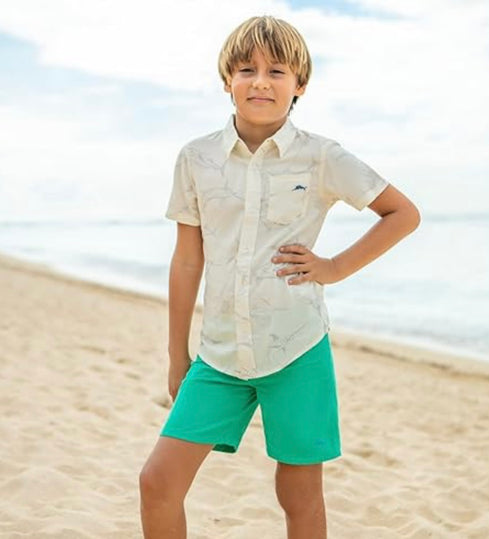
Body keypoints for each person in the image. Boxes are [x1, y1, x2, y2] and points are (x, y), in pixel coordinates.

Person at [139, 14, 420, 539]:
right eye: (246, 70)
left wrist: (334, 268)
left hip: (297, 348)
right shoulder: (197, 158)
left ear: (300, 85)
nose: (260, 82)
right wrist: (178, 354)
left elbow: (402, 213)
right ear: (227, 80)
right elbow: (187, 260)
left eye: (276, 71)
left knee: (298, 494)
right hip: (219, 354)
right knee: (158, 482)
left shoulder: (321, 156)